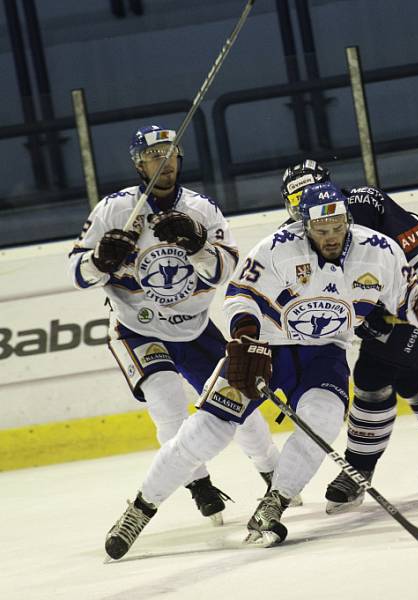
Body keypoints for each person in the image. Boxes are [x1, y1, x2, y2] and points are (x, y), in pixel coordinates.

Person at [102, 182, 418, 558]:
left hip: (324, 356)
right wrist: (245, 338)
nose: (331, 237)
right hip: (267, 349)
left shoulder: (380, 251)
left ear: (347, 220)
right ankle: (140, 509)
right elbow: (241, 294)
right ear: (304, 224)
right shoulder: (277, 247)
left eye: (338, 227)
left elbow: (404, 300)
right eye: (322, 230)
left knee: (321, 423)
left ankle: (274, 503)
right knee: (205, 432)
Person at [68, 124, 281, 525]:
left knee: (240, 405)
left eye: (170, 152)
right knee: (167, 407)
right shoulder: (114, 209)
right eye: (154, 155)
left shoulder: (201, 209)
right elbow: (77, 273)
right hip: (137, 326)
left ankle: (272, 470)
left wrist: (198, 243)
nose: (164, 161)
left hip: (194, 327)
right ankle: (198, 485)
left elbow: (226, 271)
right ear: (138, 164)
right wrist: (100, 259)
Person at [280, 160, 418, 514]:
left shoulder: (365, 204)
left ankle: (358, 471)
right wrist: (363, 322)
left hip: (414, 301)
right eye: (298, 200)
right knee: (412, 378)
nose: (310, 209)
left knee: (373, 376)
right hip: (379, 315)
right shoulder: (289, 240)